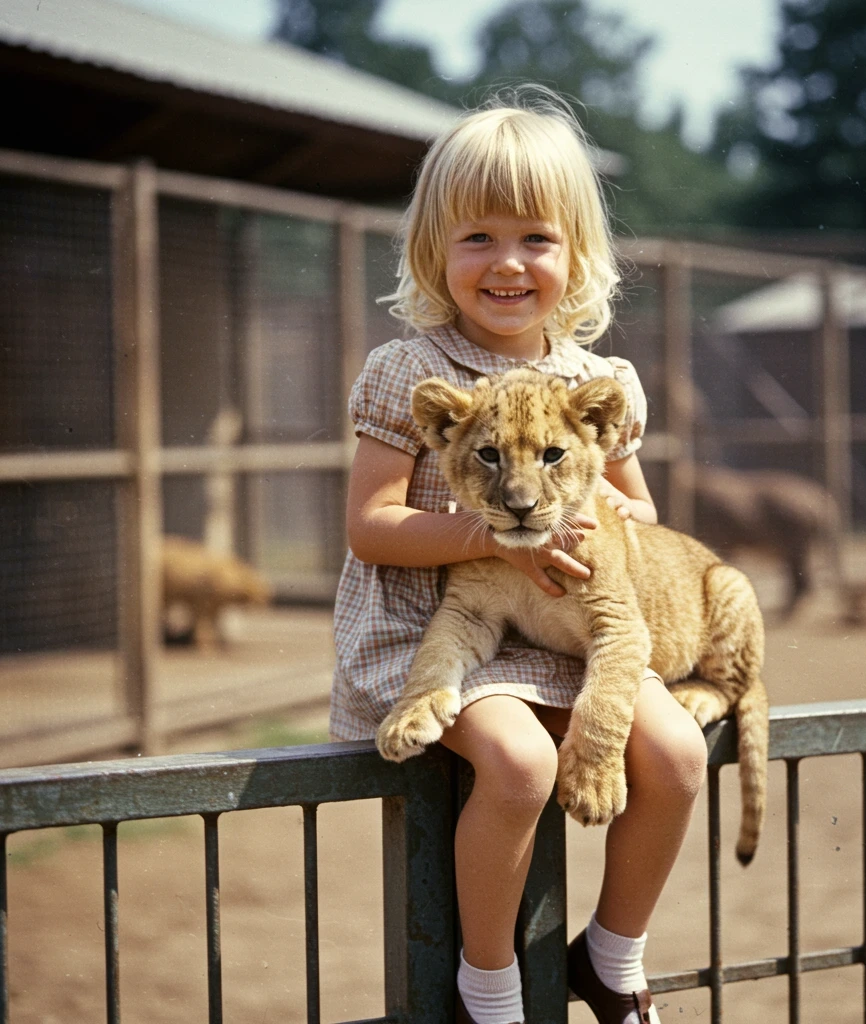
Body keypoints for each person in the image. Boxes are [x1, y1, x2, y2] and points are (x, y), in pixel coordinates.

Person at [331, 86, 707, 1024]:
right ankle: (488, 987)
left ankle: (611, 958)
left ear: (577, 254)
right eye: (477, 238)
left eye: (536, 237)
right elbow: (371, 523)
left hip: (569, 627)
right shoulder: (406, 370)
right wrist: (499, 535)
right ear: (434, 251)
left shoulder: (598, 380)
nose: (508, 263)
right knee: (521, 768)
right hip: (437, 629)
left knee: (677, 755)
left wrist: (573, 532)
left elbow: (639, 510)